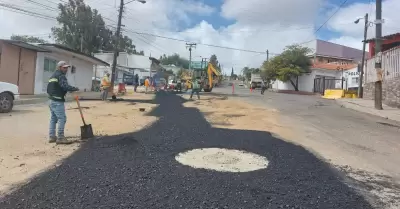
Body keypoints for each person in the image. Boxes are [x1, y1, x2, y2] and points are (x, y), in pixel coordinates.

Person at [47, 61, 79, 144]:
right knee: (62, 118)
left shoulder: (53, 76)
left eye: (67, 68)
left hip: (51, 100)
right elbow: (64, 86)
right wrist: (74, 88)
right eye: (64, 68)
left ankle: (52, 136)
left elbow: (49, 88)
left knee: (53, 118)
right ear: (59, 67)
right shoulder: (61, 76)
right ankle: (60, 137)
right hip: (57, 101)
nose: (66, 69)